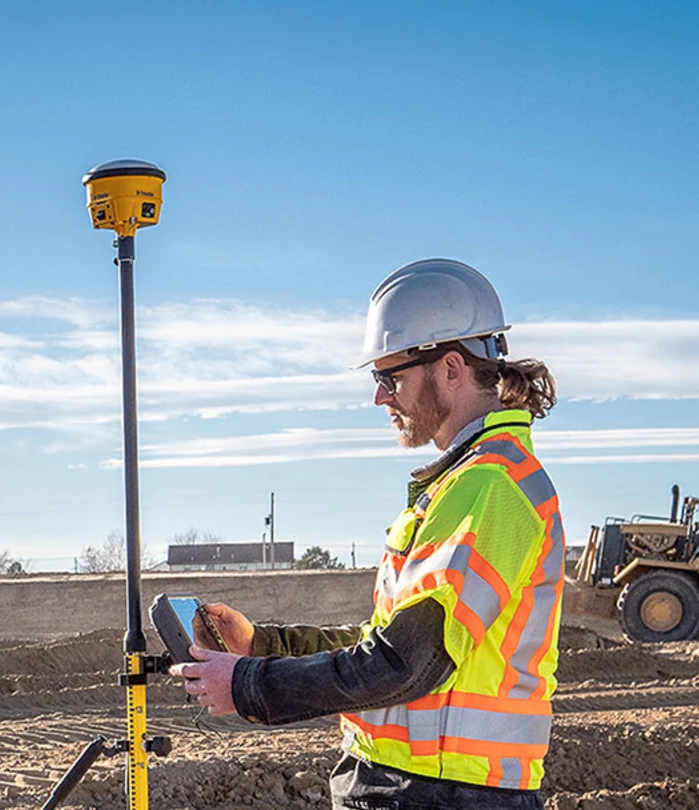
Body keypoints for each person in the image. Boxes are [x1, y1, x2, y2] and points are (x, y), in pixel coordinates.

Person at [171, 259, 563, 809]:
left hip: (439, 793)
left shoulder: (489, 486)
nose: (380, 397)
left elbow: (404, 663)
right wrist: (263, 646)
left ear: (451, 368)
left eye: (390, 377)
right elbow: (388, 641)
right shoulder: (466, 483)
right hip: (424, 785)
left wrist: (250, 685)